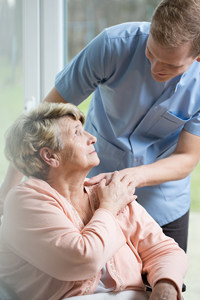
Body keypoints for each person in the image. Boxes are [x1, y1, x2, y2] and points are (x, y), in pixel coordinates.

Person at [42, 0, 200, 252]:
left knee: (165, 278)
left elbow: (187, 157)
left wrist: (134, 177)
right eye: (151, 53)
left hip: (163, 198)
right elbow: (47, 113)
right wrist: (17, 183)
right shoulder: (112, 45)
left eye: (171, 65)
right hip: (93, 189)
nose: (155, 69)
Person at [0, 102, 187, 300]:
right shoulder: (25, 201)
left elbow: (164, 249)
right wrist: (108, 207)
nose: (92, 138)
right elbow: (83, 260)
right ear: (50, 156)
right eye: (77, 133)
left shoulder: (106, 191)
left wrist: (166, 286)